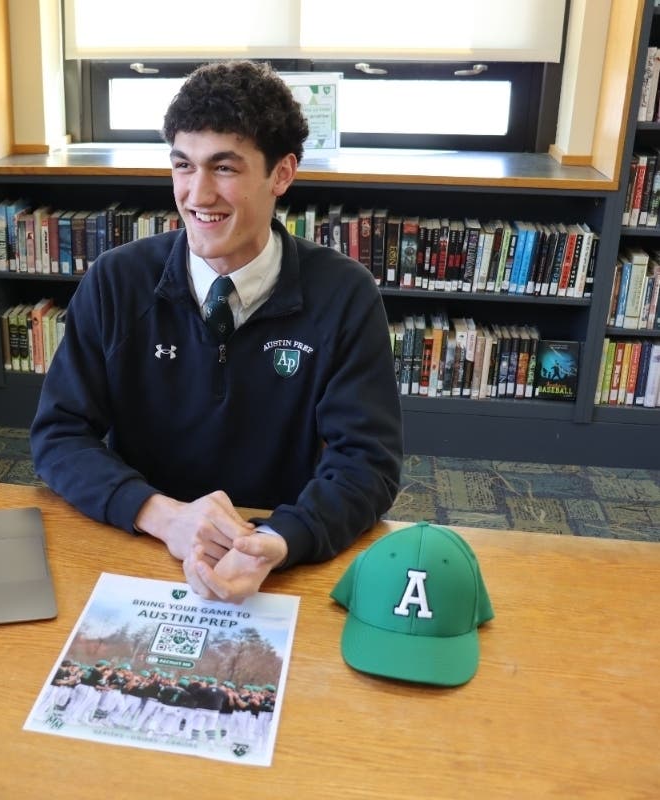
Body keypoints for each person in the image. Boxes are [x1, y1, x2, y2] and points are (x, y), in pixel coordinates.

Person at [29, 59, 402, 603]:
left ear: (282, 174)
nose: (197, 194)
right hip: (142, 542)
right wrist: (163, 516)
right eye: (183, 165)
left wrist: (280, 540)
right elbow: (59, 436)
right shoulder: (116, 281)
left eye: (224, 168)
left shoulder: (345, 295)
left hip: (271, 555)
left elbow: (367, 464)